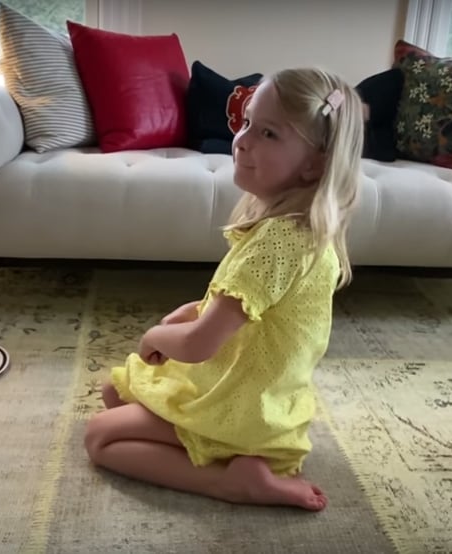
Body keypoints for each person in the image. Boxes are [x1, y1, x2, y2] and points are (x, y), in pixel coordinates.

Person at [83, 66, 365, 512]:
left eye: (269, 134)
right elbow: (265, 310)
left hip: (244, 404)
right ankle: (235, 456)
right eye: (248, 122)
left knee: (100, 436)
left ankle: (229, 481)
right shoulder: (300, 232)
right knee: (117, 392)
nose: (244, 140)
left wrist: (156, 335)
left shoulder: (278, 241)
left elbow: (197, 346)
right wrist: (199, 307)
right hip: (259, 391)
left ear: (316, 163)